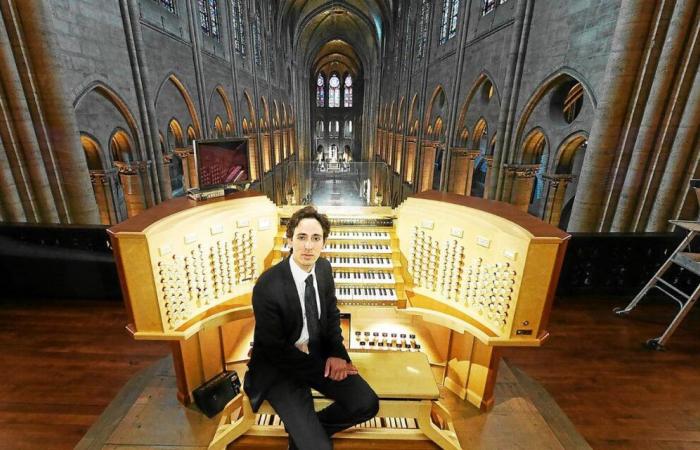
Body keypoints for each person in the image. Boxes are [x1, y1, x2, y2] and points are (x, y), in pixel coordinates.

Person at [244, 205, 379, 450]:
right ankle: (309, 437)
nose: (308, 246)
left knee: (367, 403)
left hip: (316, 358)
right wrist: (323, 365)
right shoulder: (268, 284)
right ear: (290, 240)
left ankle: (308, 432)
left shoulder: (324, 270)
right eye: (302, 237)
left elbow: (331, 317)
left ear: (324, 242)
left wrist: (337, 354)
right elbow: (275, 351)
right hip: (280, 369)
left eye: (316, 238)